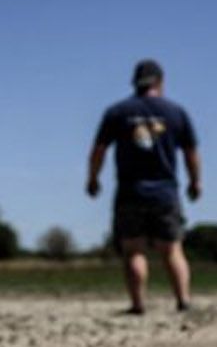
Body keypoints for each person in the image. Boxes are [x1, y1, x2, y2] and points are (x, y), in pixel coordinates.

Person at [86, 59, 201, 314]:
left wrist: (93, 179)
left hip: (130, 191)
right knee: (172, 249)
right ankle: (183, 300)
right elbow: (191, 151)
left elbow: (99, 150)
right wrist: (195, 181)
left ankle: (138, 304)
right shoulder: (176, 112)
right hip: (165, 191)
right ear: (160, 82)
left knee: (133, 249)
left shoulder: (117, 112)